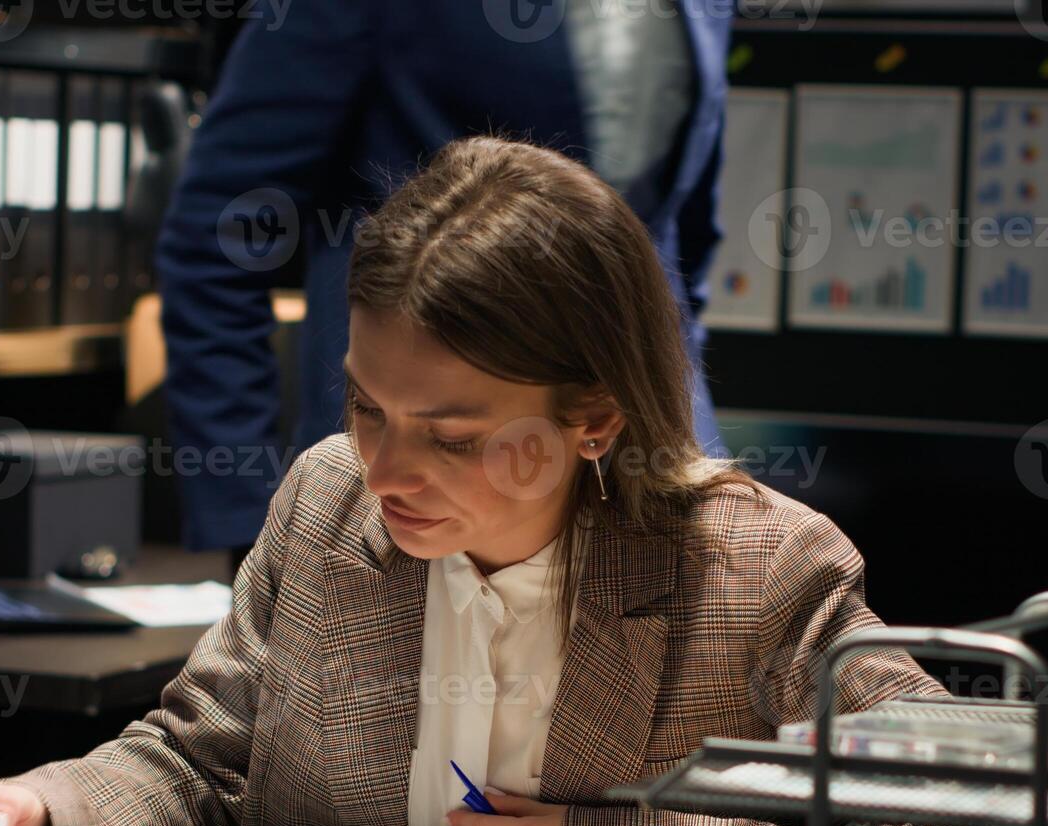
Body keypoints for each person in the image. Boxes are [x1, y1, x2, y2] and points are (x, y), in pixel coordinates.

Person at [0, 138, 969, 826]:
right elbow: (203, 762)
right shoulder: (326, 501)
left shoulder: (760, 567)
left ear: (592, 417)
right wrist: (38, 811)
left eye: (451, 435)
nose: (384, 468)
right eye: (367, 405)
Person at [158, 0, 734, 567]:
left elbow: (678, 234)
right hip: (410, 464)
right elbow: (220, 237)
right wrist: (249, 509)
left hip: (646, 455)